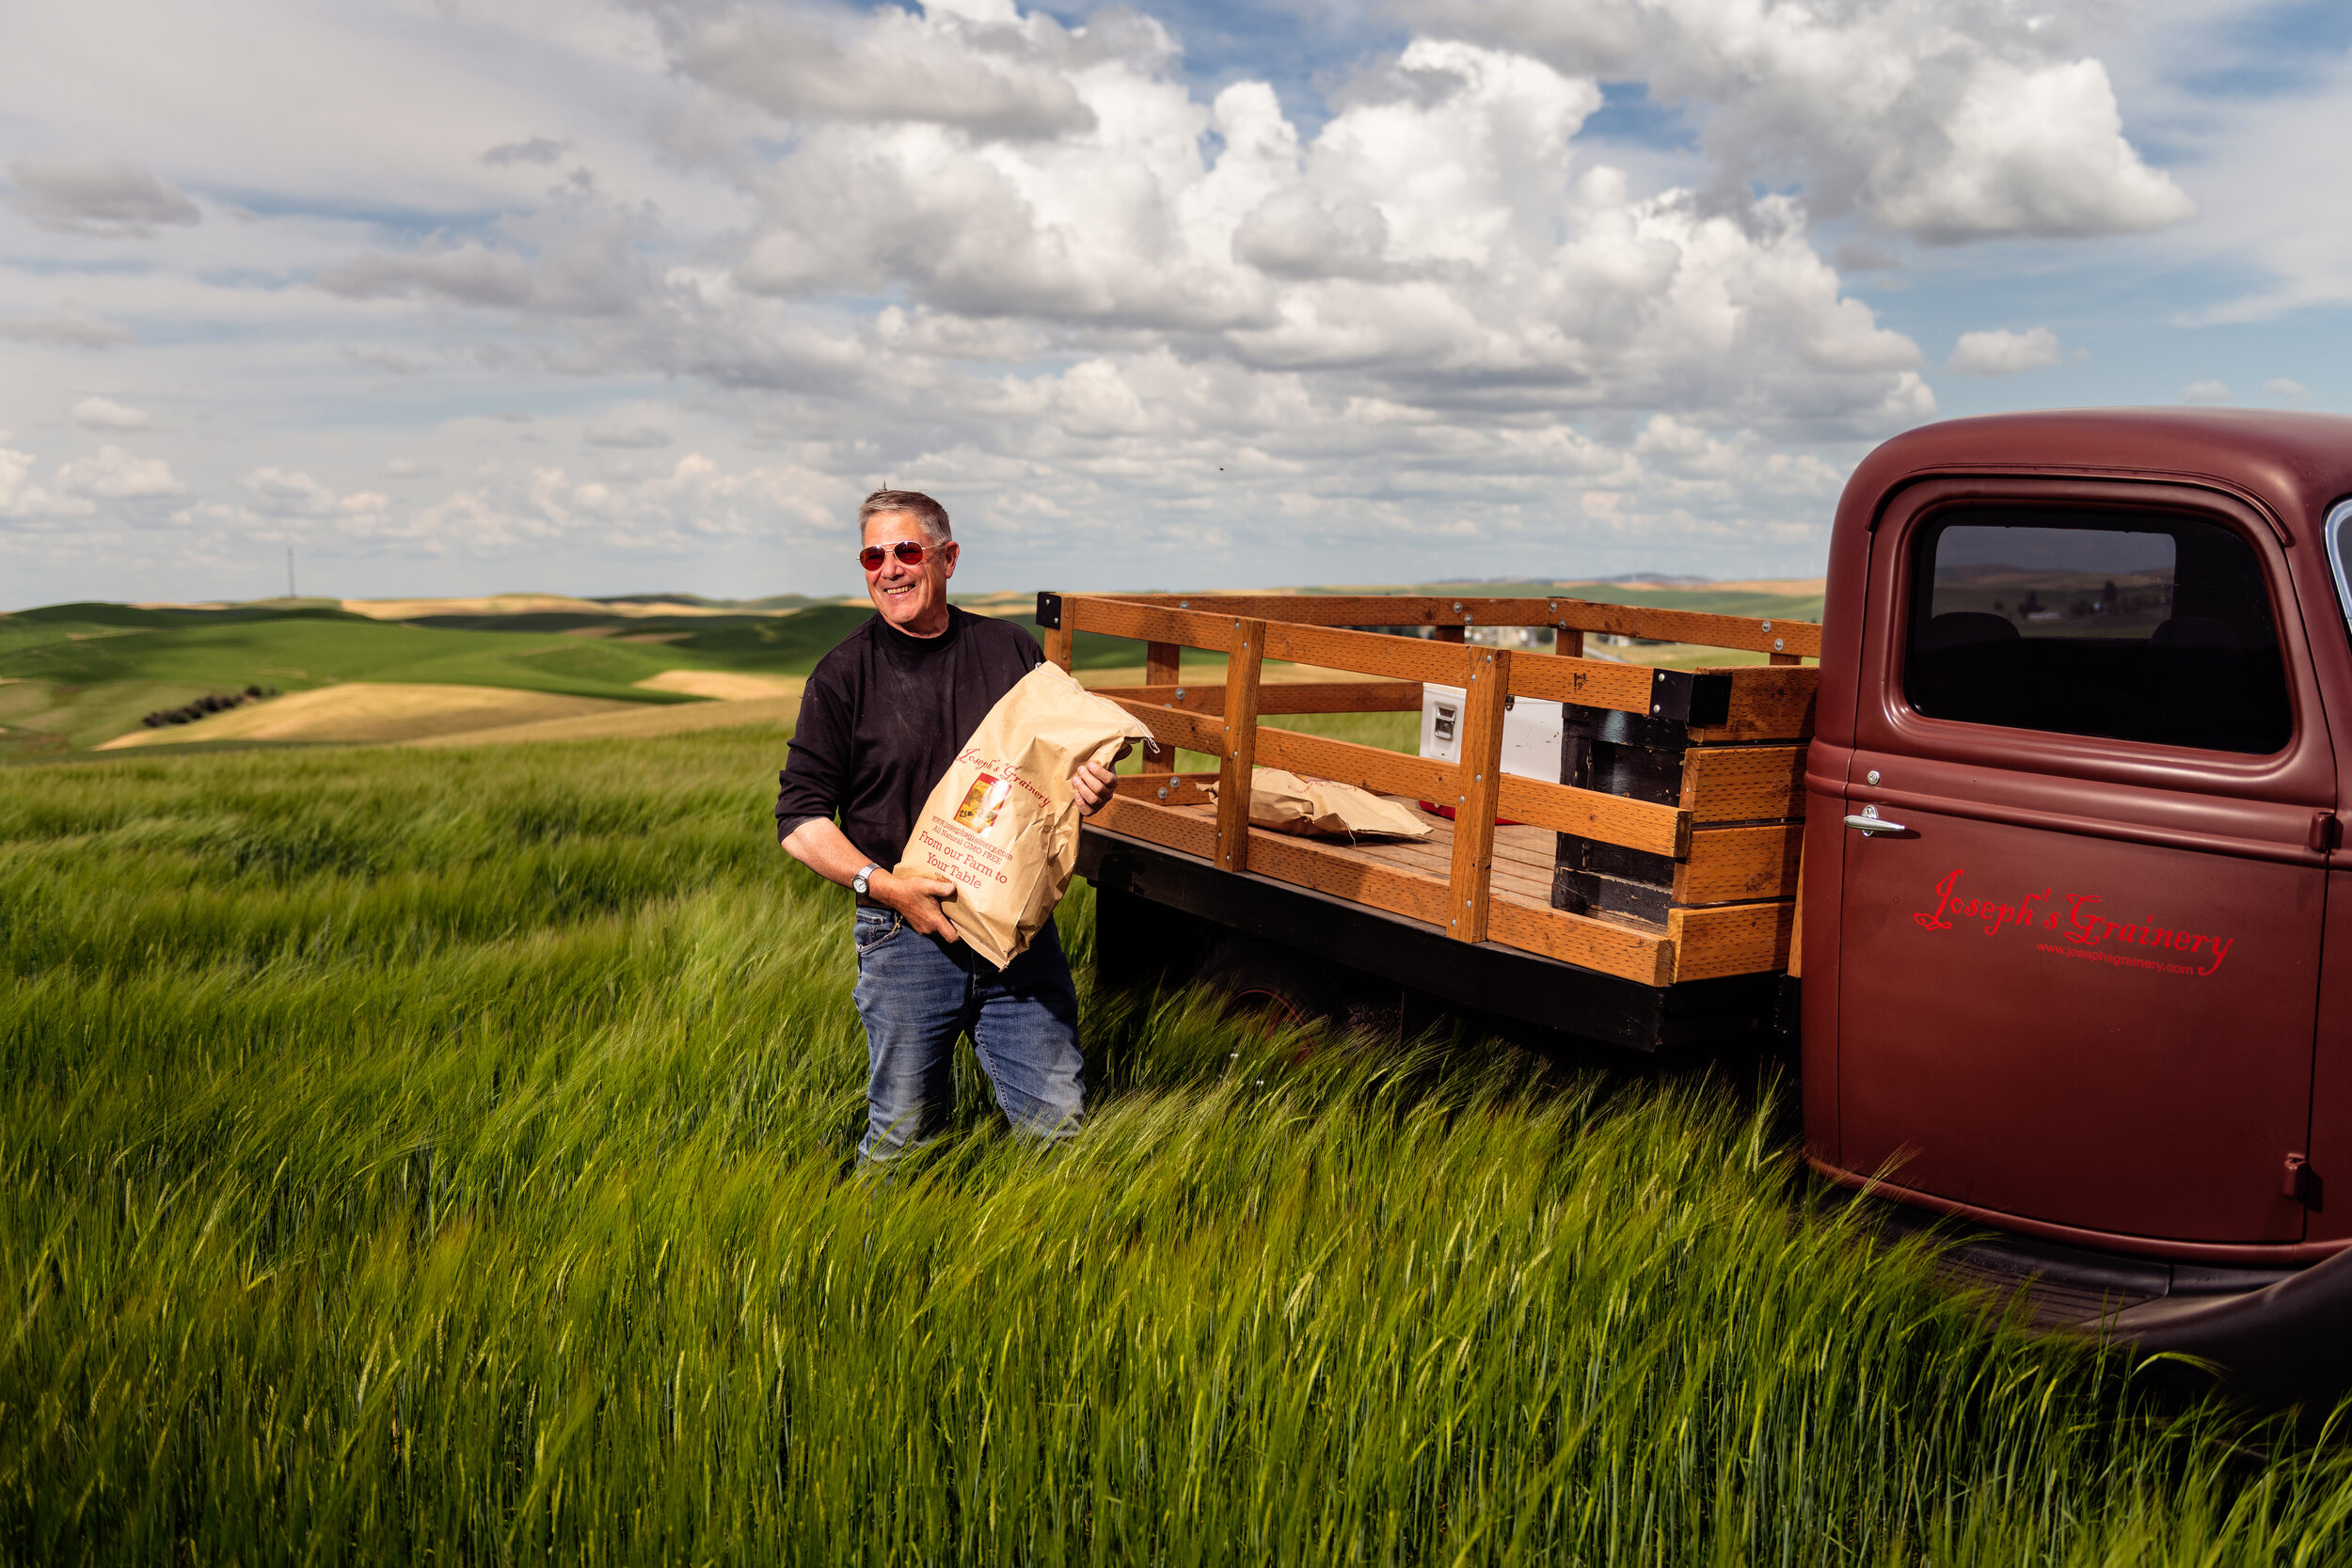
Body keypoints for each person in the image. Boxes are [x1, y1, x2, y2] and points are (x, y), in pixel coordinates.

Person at [775, 489, 1120, 1163]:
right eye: (873, 555)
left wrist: (1089, 784)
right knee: (903, 1139)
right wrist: (886, 887)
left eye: (906, 550)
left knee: (1059, 1132)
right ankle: (881, 1264)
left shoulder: (1008, 650)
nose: (889, 569)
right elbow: (800, 820)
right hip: (904, 936)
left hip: (1016, 934)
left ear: (948, 558)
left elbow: (1060, 767)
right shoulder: (843, 676)